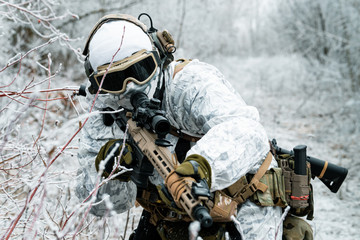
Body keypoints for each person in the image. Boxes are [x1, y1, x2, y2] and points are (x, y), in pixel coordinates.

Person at [75, 13, 311, 240]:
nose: (130, 87)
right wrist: (110, 170)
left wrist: (203, 166)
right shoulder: (104, 113)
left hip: (243, 204)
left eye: (140, 70)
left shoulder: (189, 83)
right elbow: (101, 206)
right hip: (168, 216)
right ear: (98, 85)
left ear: (157, 57)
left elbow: (246, 130)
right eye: (115, 79)